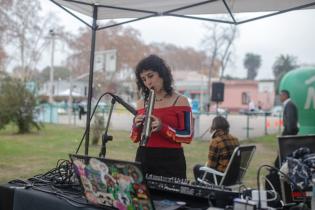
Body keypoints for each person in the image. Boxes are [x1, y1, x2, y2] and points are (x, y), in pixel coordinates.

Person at [130, 54, 193, 179]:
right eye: (143, 79)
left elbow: (188, 135)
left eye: (150, 76)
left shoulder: (181, 101)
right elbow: (134, 138)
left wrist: (163, 128)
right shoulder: (140, 103)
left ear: (162, 74)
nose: (148, 82)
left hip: (171, 161)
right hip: (144, 157)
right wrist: (136, 126)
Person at [193, 116, 239, 183]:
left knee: (196, 168)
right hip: (234, 177)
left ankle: (200, 189)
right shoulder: (235, 139)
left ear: (214, 127)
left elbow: (211, 166)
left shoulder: (216, 141)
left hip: (221, 177)